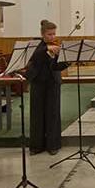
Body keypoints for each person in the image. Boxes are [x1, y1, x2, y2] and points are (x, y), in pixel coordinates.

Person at [27, 20, 71, 155]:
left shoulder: (56, 46)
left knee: (53, 113)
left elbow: (57, 66)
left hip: (53, 82)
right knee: (37, 113)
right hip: (38, 82)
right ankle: (36, 145)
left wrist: (67, 60)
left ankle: (53, 145)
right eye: (49, 34)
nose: (52, 37)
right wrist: (47, 49)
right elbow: (33, 56)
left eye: (54, 34)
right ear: (42, 34)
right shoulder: (36, 45)